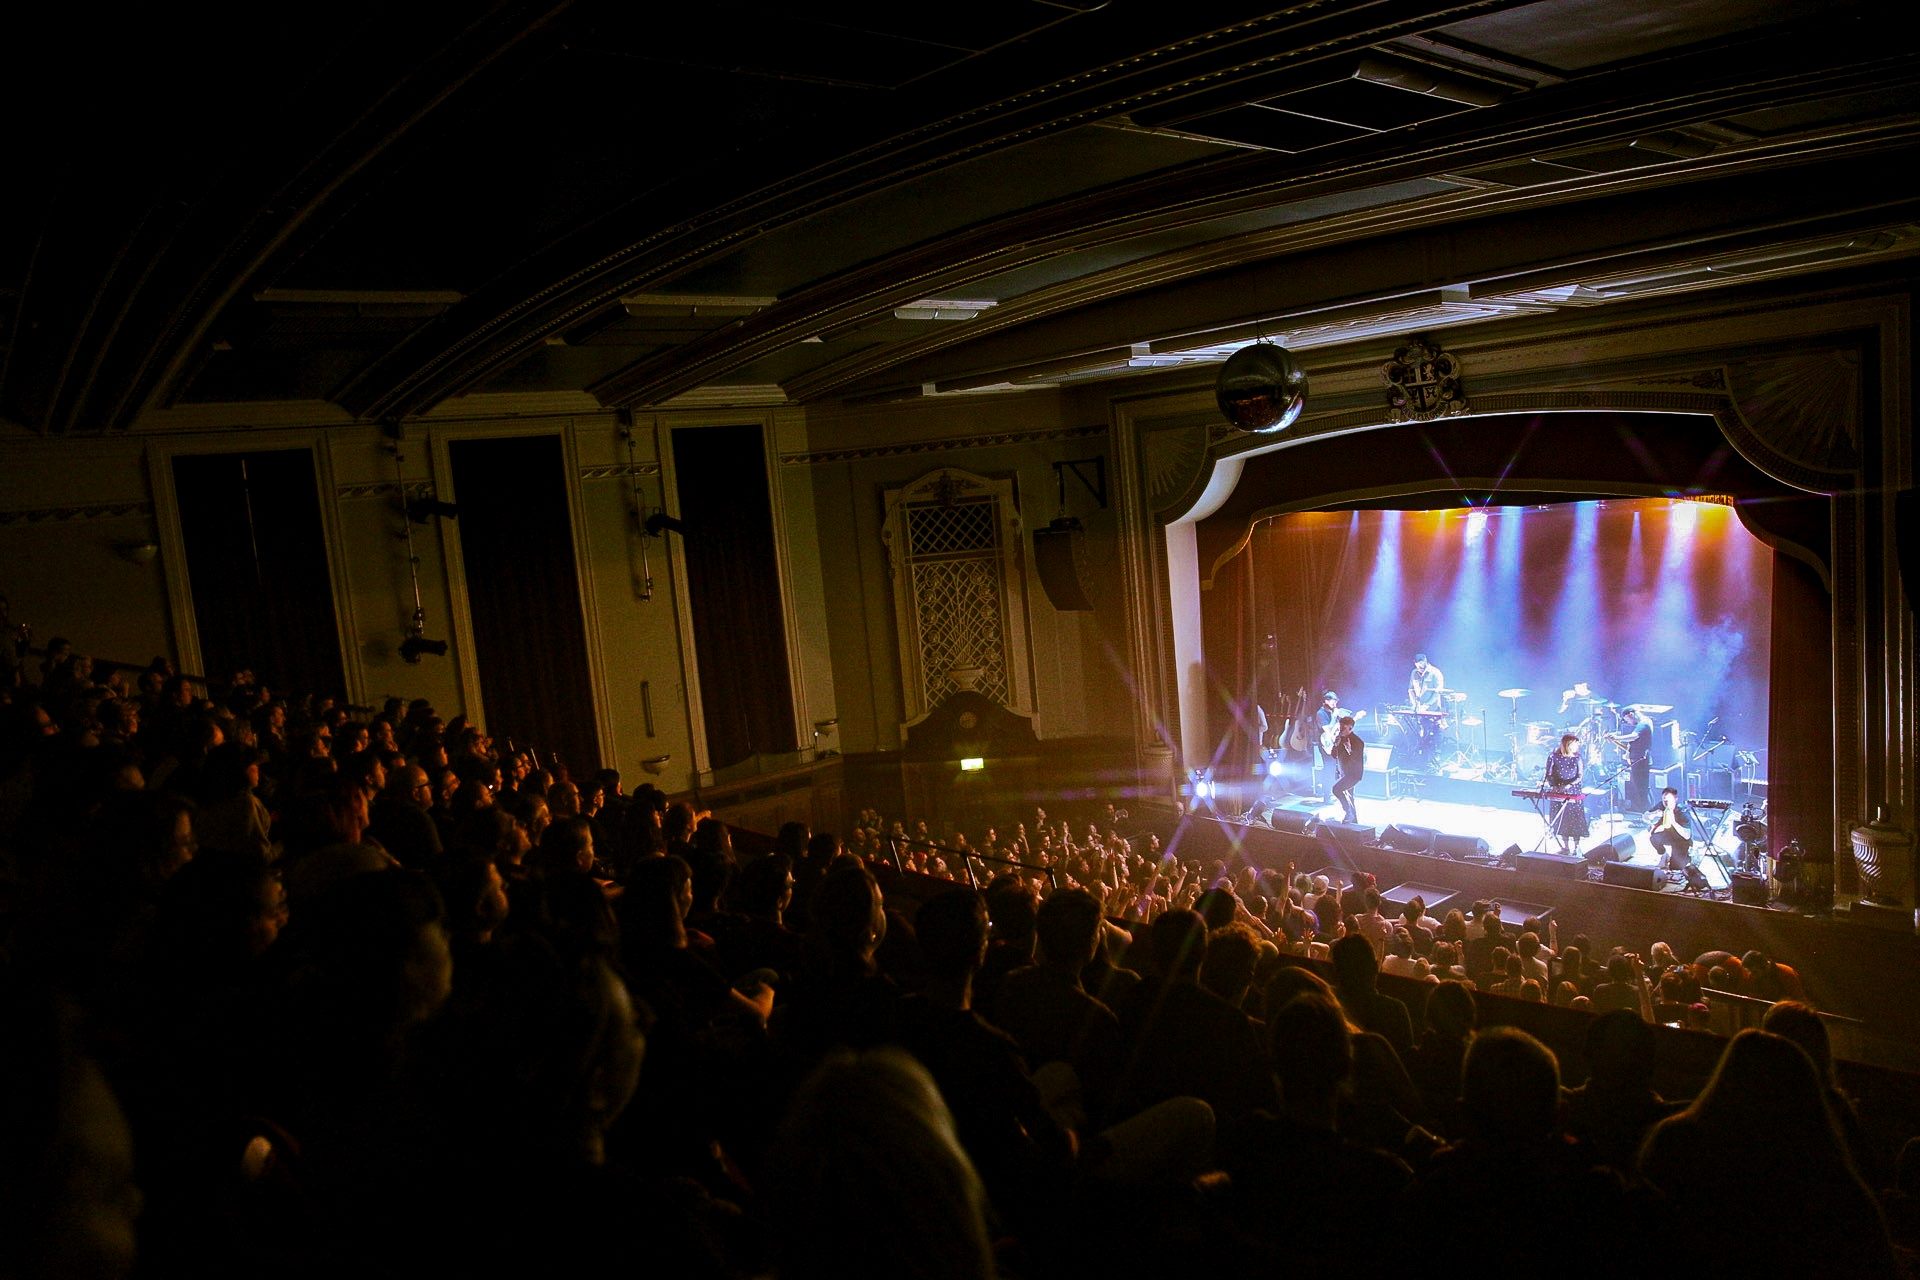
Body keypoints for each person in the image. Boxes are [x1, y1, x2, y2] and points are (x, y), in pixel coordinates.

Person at [1543, 731, 1588, 853]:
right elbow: (1549, 774)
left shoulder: (1577, 758)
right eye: (1575, 744)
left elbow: (1579, 776)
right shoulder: (1554, 757)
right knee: (1562, 819)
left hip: (1573, 791)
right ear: (1568, 744)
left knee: (1574, 819)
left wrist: (1568, 785)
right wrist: (1555, 786)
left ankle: (1576, 847)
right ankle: (1565, 846)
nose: (1577, 746)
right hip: (1558, 790)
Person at [1607, 707, 1652, 812]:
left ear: (1631, 714)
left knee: (1640, 790)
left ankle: (1644, 814)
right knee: (1640, 789)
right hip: (1639, 760)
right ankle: (1644, 814)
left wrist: (1616, 738)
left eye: (1628, 720)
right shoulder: (1644, 722)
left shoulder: (1643, 724)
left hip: (1640, 762)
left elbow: (1633, 736)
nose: (1630, 723)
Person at [1405, 652, 1445, 763]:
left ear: (1426, 662)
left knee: (1436, 729)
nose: (1420, 669)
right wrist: (1414, 704)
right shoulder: (1414, 673)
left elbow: (1437, 692)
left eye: (1422, 666)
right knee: (1420, 729)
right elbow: (1411, 690)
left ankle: (1437, 754)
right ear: (1415, 664)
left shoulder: (1435, 673)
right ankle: (1421, 753)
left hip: (1433, 708)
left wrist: (1427, 705)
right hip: (1419, 708)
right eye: (1418, 666)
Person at [1328, 714, 1364, 824]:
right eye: (1340, 727)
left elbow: (1356, 759)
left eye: (1343, 728)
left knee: (1336, 789)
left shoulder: (1358, 742)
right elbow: (1334, 755)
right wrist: (1335, 745)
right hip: (1343, 772)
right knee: (1350, 797)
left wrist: (1349, 749)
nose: (1341, 730)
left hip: (1353, 774)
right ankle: (1354, 821)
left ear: (1350, 728)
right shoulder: (1340, 738)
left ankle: (1348, 812)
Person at [1646, 787, 1691, 872]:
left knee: (1675, 868)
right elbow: (1644, 816)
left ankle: (1688, 857)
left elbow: (1687, 836)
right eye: (1664, 801)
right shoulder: (1661, 805)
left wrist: (1673, 822)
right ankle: (1664, 855)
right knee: (1654, 838)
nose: (1666, 803)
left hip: (1681, 840)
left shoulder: (1682, 811)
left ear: (1675, 799)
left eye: (1668, 801)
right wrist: (1654, 814)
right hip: (1668, 835)